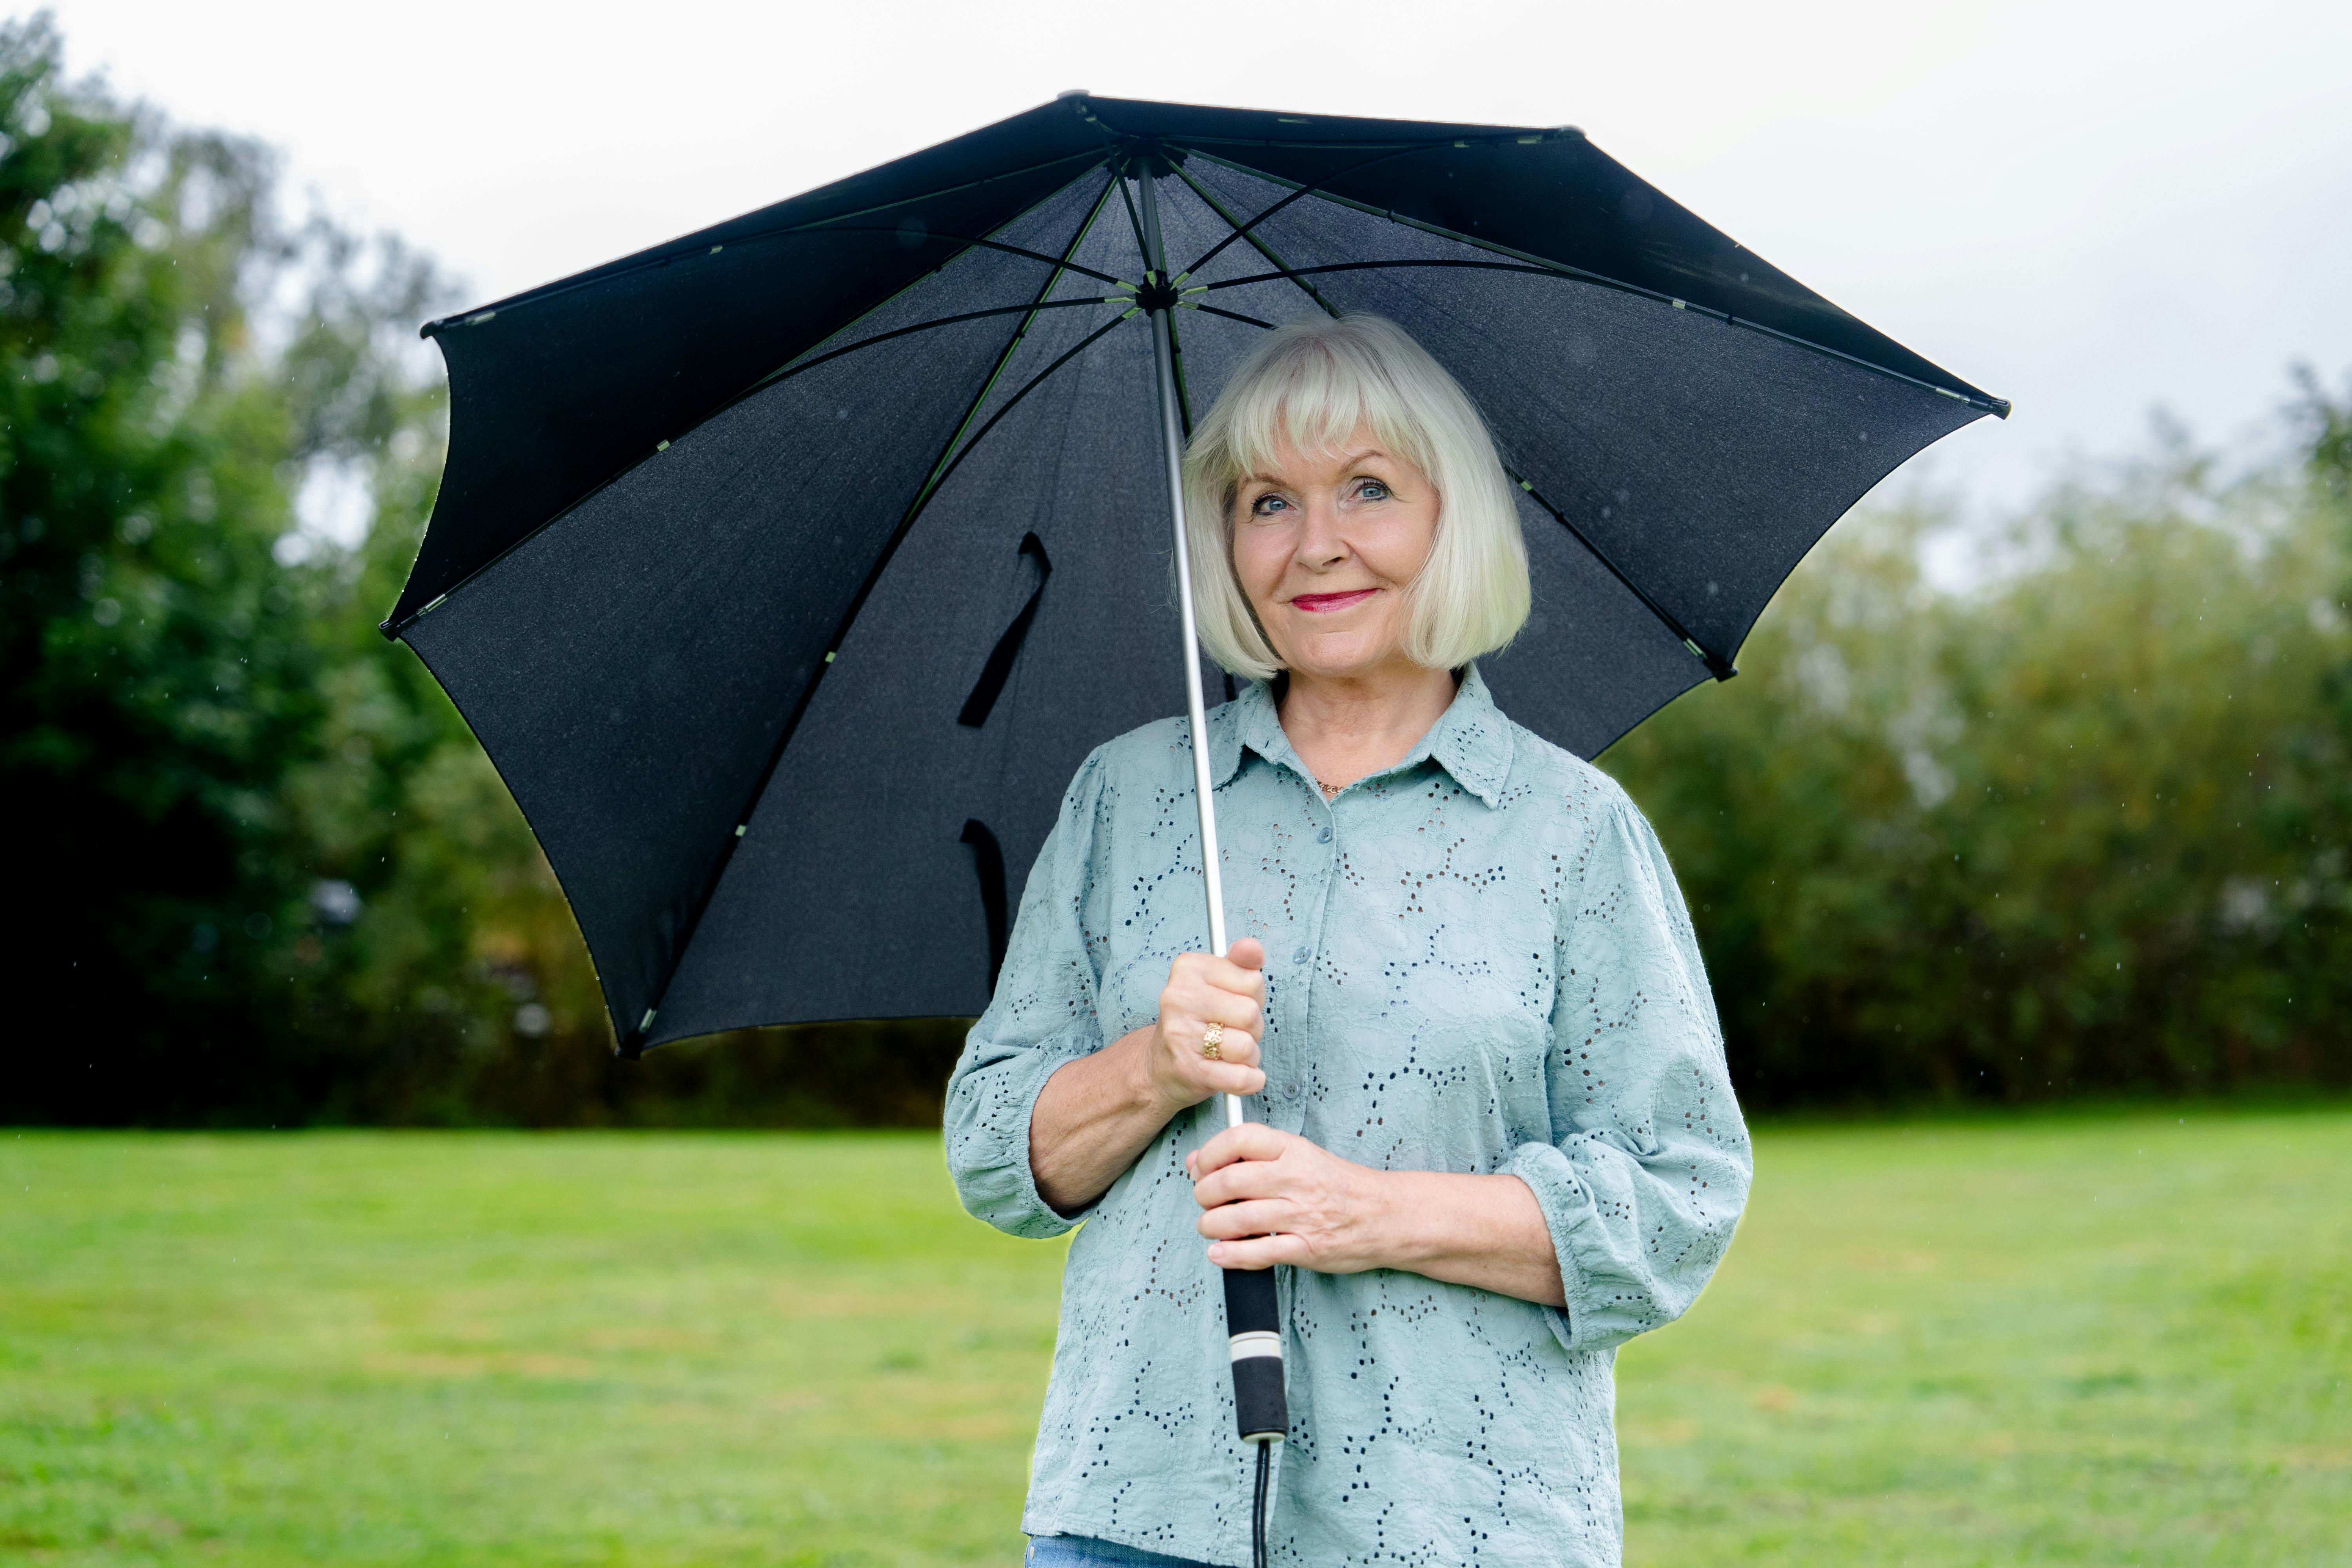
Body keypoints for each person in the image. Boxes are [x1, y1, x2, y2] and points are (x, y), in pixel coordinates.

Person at [944, 313, 1751, 1568]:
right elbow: (995, 1155)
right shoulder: (1131, 798)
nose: (1315, 544)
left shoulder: (1571, 831)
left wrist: (1366, 1212)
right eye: (1268, 501)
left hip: (1463, 1524)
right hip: (1137, 1521)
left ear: (1451, 518)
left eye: (1366, 489)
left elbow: (1674, 1201)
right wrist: (1151, 1068)